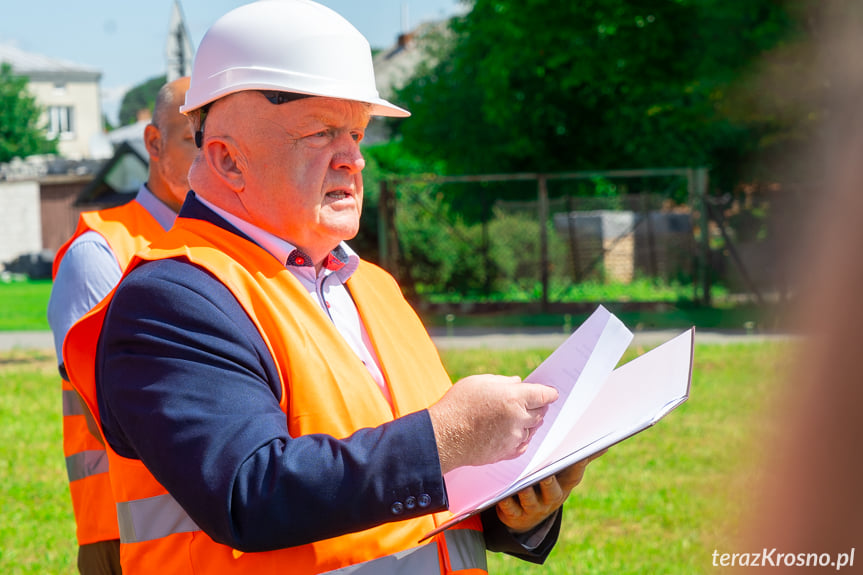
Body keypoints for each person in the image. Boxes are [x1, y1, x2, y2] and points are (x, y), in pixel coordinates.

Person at [62, 2, 599, 573]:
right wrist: (448, 435)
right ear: (226, 159)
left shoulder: (375, 287)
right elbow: (250, 491)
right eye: (322, 134)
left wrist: (513, 511)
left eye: (358, 133)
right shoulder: (173, 298)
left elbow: (417, 489)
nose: (355, 160)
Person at [47, 76, 196, 575]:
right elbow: (108, 415)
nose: (211, 153)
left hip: (223, 531)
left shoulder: (230, 246)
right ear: (154, 143)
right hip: (127, 537)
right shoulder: (101, 253)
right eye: (192, 137)